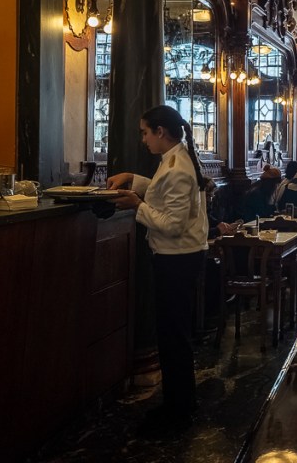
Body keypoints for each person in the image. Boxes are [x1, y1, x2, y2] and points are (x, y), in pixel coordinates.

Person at [107, 106, 210, 435]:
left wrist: (137, 205)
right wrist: (133, 179)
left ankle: (178, 411)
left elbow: (172, 224)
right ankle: (180, 402)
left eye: (145, 132)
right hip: (181, 257)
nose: (143, 139)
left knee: (173, 336)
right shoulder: (177, 158)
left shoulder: (178, 166)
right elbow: (164, 192)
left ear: (160, 132)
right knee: (173, 334)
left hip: (176, 258)